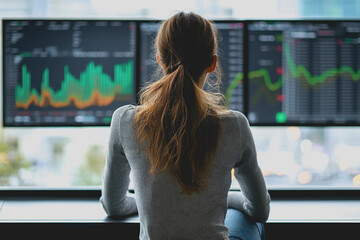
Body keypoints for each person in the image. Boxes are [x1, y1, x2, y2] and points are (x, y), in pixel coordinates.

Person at [100, 11, 271, 240]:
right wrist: (224, 199)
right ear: (212, 63)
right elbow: (259, 209)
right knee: (247, 221)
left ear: (160, 59)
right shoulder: (235, 126)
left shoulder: (125, 121)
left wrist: (146, 201)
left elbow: (114, 206)